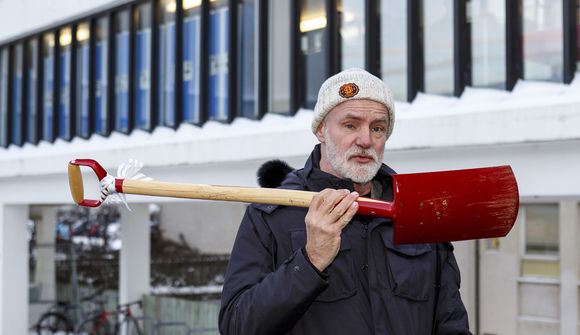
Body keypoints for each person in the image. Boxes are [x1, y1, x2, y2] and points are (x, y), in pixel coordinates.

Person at [219, 68, 471, 335]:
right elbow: (237, 326)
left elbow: (451, 325)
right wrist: (310, 259)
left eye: (378, 128)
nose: (366, 140)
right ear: (320, 129)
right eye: (350, 125)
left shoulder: (418, 211)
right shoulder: (271, 216)